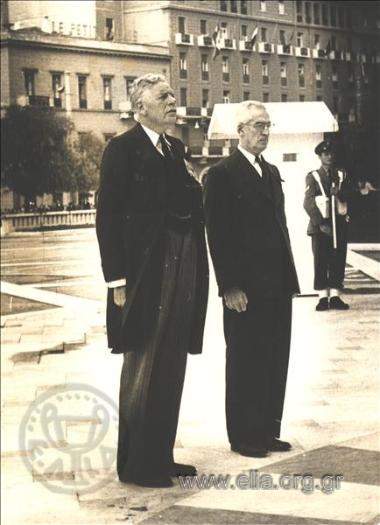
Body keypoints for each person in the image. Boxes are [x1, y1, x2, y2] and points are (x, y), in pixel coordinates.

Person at [96, 74, 209, 488]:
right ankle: (136, 464)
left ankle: (161, 456)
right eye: (162, 96)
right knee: (143, 366)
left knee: (171, 362)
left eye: (173, 95)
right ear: (139, 106)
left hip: (181, 264)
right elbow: (106, 217)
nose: (172, 101)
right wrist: (117, 281)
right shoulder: (121, 150)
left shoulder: (175, 148)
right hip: (143, 275)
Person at [203, 101, 299, 458]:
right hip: (244, 288)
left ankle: (266, 429)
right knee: (245, 359)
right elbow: (218, 233)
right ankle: (243, 435)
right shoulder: (222, 174)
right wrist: (229, 285)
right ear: (239, 130)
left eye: (268, 125)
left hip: (277, 284)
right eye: (258, 125)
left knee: (275, 357)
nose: (264, 132)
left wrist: (290, 279)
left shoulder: (271, 172)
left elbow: (280, 229)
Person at [304, 140, 351, 311]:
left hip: (339, 225)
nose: (329, 157)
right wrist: (321, 224)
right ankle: (323, 296)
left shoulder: (341, 175)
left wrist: (340, 193)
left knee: (338, 259)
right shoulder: (313, 176)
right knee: (321, 260)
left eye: (331, 153)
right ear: (319, 156)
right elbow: (308, 202)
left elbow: (350, 195)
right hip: (320, 227)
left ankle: (336, 296)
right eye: (325, 154)